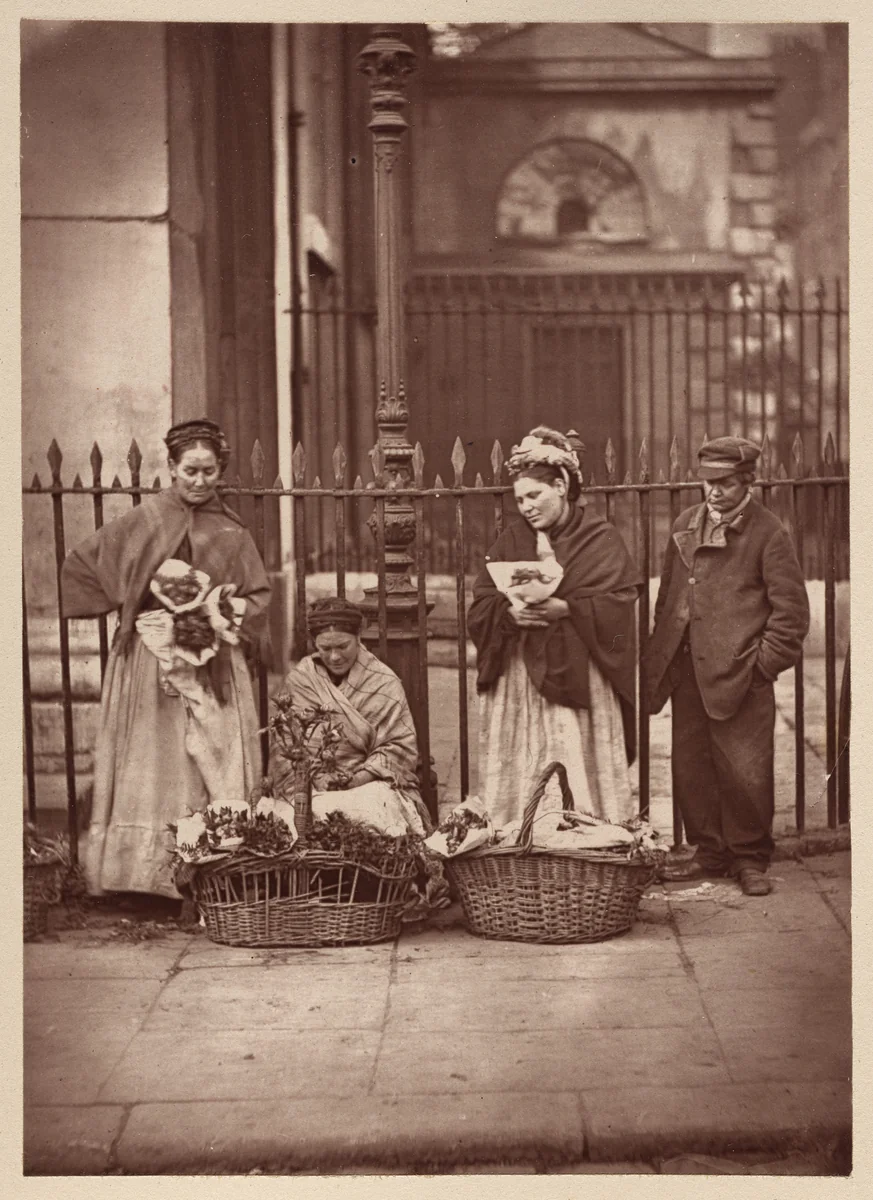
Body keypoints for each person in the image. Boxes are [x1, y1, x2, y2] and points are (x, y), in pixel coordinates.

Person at [61, 418, 272, 900]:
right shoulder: (146, 519)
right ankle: (141, 878)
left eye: (209, 471)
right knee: (151, 760)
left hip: (211, 662)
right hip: (148, 661)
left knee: (210, 759)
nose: (199, 481)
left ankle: (210, 869)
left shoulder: (232, 532)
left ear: (222, 471)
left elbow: (258, 597)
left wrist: (220, 611)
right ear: (171, 468)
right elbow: (82, 566)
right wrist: (133, 605)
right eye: (190, 471)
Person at [643, 436, 810, 896]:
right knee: (691, 767)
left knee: (746, 770)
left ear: (747, 482)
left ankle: (750, 858)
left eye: (725, 484)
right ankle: (709, 852)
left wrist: (760, 668)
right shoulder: (685, 524)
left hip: (742, 675)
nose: (713, 493)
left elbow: (792, 615)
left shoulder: (768, 533)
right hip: (689, 672)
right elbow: (667, 599)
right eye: (707, 482)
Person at [468, 426, 642, 828]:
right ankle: (518, 839)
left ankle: (589, 839)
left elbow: (620, 602)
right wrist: (508, 615)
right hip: (520, 679)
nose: (526, 507)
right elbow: (480, 602)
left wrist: (568, 608)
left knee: (574, 760)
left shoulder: (600, 538)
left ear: (562, 485)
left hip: (581, 677)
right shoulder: (512, 539)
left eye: (535, 495)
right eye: (520, 499)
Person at [274, 597, 432, 836]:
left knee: (374, 812)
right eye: (325, 649)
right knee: (296, 818)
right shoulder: (301, 680)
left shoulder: (382, 681)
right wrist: (315, 779)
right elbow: (286, 746)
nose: (335, 657)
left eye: (343, 646)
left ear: (359, 638)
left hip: (367, 784)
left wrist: (358, 779)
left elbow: (399, 747)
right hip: (310, 786)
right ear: (314, 644)